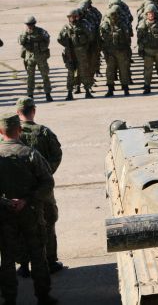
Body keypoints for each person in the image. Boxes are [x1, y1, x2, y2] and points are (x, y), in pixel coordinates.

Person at [0, 112, 57, 305]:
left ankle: (9, 299)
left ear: (1, 131)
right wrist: (27, 200)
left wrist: (6, 202)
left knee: (7, 258)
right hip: (31, 213)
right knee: (38, 255)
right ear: (19, 130)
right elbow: (47, 183)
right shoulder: (31, 154)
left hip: (4, 216)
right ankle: (43, 296)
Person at [16, 97, 64, 276]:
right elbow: (57, 154)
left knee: (22, 225)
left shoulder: (12, 133)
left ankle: (24, 265)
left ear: (18, 112)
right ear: (33, 111)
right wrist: (46, 173)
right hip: (43, 189)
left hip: (19, 190)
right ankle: (50, 261)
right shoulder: (44, 132)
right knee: (48, 222)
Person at [57, 9, 94, 100]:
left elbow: (90, 37)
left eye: (73, 17)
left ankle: (87, 90)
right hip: (70, 53)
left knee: (84, 71)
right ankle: (69, 92)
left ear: (77, 17)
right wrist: (67, 45)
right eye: (70, 17)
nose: (71, 19)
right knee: (71, 73)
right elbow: (59, 39)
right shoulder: (66, 27)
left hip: (81, 53)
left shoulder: (83, 25)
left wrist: (83, 45)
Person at [19, 16, 53, 101]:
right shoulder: (24, 32)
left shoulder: (41, 31)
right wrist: (25, 34)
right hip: (30, 57)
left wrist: (42, 48)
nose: (29, 26)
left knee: (45, 76)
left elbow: (47, 39)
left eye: (31, 24)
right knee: (30, 77)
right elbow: (21, 42)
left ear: (34, 23)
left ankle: (48, 94)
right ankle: (30, 94)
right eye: (28, 24)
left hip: (41, 56)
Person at [100, 7, 132, 97]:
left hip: (121, 51)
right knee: (110, 71)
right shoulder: (104, 25)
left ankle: (125, 88)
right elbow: (101, 39)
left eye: (115, 15)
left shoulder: (122, 24)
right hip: (110, 52)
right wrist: (104, 51)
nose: (114, 17)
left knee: (123, 70)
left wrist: (127, 50)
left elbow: (127, 38)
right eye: (112, 15)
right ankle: (110, 89)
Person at [137, 4, 158, 94]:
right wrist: (141, 49)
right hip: (148, 51)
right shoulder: (143, 24)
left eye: (152, 13)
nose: (151, 15)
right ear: (146, 14)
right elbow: (139, 38)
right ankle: (147, 86)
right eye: (149, 13)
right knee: (148, 70)